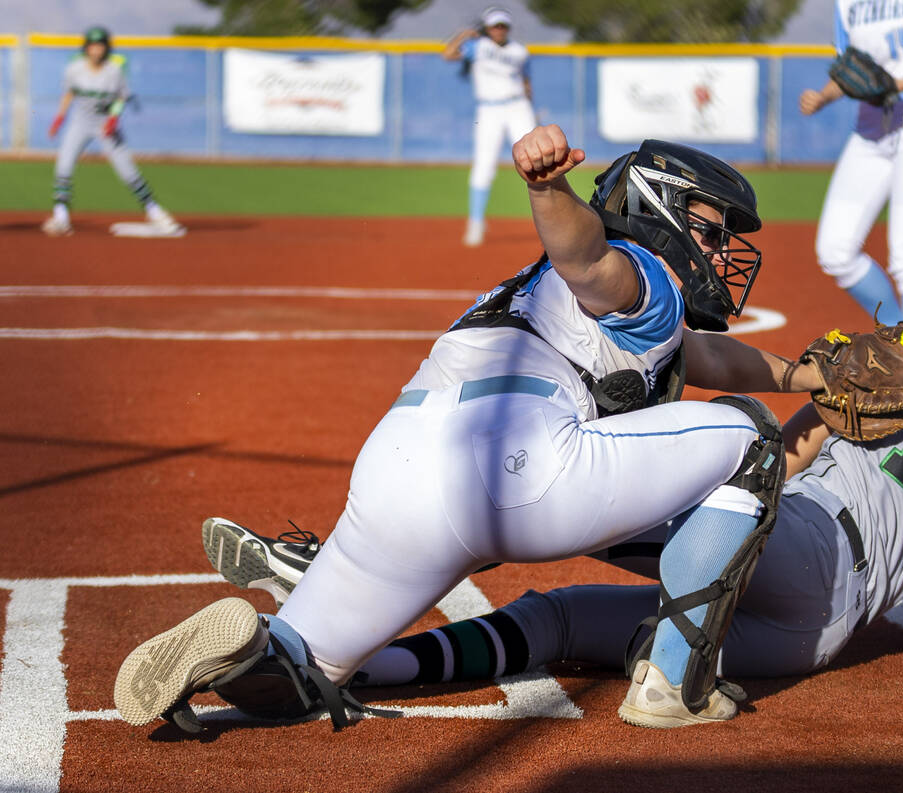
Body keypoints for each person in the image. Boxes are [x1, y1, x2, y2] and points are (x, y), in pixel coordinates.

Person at [114, 124, 831, 733]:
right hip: (517, 474)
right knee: (749, 438)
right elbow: (585, 258)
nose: (719, 252)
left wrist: (806, 375)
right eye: (710, 230)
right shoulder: (644, 274)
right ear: (657, 209)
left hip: (394, 468)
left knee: (306, 668)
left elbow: (700, 353)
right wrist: (549, 189)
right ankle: (673, 685)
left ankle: (253, 653)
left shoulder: (566, 301)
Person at [217, 275, 903, 714]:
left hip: (795, 539)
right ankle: (359, 665)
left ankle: (332, 566)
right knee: (555, 624)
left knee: (643, 470)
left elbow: (788, 458)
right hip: (819, 633)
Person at [800, 0, 903, 324]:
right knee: (835, 251)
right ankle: (895, 336)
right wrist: (824, 95)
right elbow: (852, 73)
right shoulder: (846, 4)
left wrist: (897, 85)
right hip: (870, 125)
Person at [41, 26, 183, 238]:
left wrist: (113, 119)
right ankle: (61, 217)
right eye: (92, 46)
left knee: (127, 169)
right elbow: (68, 94)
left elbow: (121, 97)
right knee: (64, 165)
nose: (96, 50)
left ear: (106, 48)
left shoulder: (114, 70)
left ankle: (155, 212)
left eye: (100, 46)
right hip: (80, 122)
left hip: (105, 124)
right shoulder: (75, 68)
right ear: (86, 48)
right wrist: (59, 118)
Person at [442, 6, 537, 247]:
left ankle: (549, 219)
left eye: (503, 26)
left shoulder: (519, 51)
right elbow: (448, 54)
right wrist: (464, 35)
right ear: (487, 28)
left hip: (517, 107)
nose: (499, 30)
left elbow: (525, 81)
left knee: (535, 159)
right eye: (495, 26)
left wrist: (530, 105)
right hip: (489, 109)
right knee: (484, 164)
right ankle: (475, 222)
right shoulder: (479, 47)